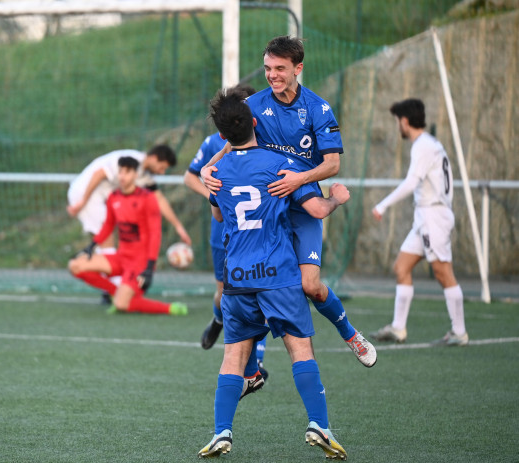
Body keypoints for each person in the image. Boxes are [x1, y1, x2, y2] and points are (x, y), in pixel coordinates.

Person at [201, 36, 376, 368]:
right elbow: (231, 148)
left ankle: (349, 332)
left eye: (280, 68)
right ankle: (252, 369)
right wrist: (208, 171)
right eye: (267, 68)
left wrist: (298, 179)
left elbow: (332, 164)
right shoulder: (254, 105)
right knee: (262, 284)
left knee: (311, 286)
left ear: (298, 68)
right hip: (269, 212)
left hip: (304, 204)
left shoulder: (318, 108)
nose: (272, 75)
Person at [197, 87, 349, 460]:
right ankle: (319, 424)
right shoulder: (278, 163)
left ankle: (221, 432)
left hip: (237, 279)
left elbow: (218, 215)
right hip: (277, 275)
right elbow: (315, 210)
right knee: (300, 348)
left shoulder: (216, 172)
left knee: (233, 357)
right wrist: (336, 200)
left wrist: (210, 174)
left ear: (222, 135)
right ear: (254, 123)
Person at [370, 98, 468, 346]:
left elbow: (411, 183)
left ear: (404, 121)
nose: (397, 127)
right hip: (425, 216)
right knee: (401, 268)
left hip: (434, 217)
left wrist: (382, 204)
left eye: (397, 122)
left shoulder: (423, 145)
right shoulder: (429, 144)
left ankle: (459, 332)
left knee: (443, 272)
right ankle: (398, 329)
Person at [185, 85, 258, 352]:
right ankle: (218, 319)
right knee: (224, 293)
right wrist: (213, 195)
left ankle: (256, 360)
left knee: (258, 294)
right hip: (224, 231)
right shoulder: (213, 143)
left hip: (258, 231)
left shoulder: (265, 140)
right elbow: (190, 176)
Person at [68, 156, 188, 316]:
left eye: (127, 172)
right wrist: (91, 246)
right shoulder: (113, 197)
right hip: (121, 257)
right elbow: (108, 226)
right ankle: (115, 292)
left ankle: (170, 308)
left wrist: (150, 267)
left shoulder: (147, 198)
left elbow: (155, 234)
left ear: (136, 175)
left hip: (139, 263)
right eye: (120, 172)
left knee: (121, 304)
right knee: (75, 265)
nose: (123, 176)